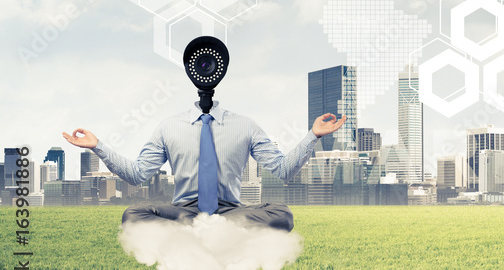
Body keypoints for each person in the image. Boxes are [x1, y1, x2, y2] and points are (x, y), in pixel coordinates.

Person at [62, 102, 345, 232]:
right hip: (184, 208)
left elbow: (283, 170)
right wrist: (97, 146)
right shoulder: (170, 126)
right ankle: (208, 229)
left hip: (230, 209)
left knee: (283, 215)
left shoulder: (244, 125)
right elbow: (138, 175)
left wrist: (313, 136)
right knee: (132, 215)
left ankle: (204, 229)